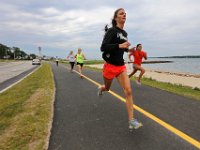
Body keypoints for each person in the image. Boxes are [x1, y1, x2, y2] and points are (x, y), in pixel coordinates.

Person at [98, 8, 142, 130]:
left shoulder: (125, 34)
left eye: (125, 14)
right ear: (116, 17)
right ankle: (101, 88)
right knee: (107, 88)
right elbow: (103, 47)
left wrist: (130, 49)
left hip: (120, 66)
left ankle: (131, 120)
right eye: (121, 13)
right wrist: (119, 45)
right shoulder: (112, 31)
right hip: (109, 66)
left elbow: (123, 48)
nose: (124, 15)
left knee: (128, 91)